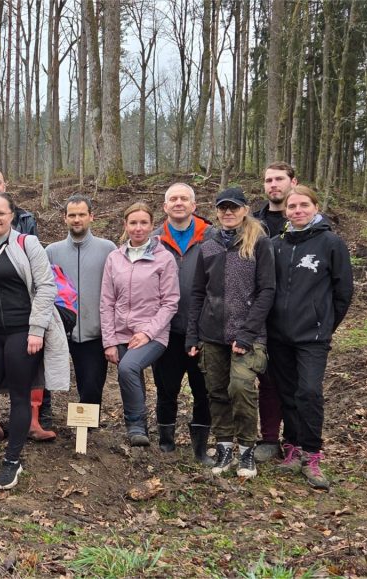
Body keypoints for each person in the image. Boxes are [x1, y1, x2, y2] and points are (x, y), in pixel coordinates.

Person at [0, 192, 69, 490]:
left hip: (23, 331)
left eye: (0, 213)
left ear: (12, 215)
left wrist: (36, 330)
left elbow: (46, 287)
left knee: (20, 395)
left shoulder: (26, 244)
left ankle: (12, 461)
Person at [267, 186, 353, 490]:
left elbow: (343, 292)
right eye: (292, 206)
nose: (297, 210)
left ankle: (312, 454)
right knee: (288, 393)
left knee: (309, 392)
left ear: (315, 208)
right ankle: (292, 447)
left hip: (312, 336)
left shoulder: (330, 243)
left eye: (304, 205)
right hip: (279, 335)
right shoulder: (278, 244)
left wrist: (325, 323)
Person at [187, 188, 276, 480]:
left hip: (247, 334)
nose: (228, 212)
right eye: (223, 208)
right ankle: (224, 444)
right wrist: (192, 335)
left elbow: (267, 291)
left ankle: (247, 448)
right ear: (216, 211)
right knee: (216, 390)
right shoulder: (208, 242)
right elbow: (198, 291)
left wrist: (248, 333)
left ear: (245, 209)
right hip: (211, 332)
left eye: (234, 208)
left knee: (241, 387)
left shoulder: (258, 242)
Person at [99, 202, 179, 446]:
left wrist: (147, 332)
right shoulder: (115, 258)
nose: (138, 228)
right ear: (125, 225)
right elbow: (107, 301)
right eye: (133, 222)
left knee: (127, 368)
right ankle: (140, 430)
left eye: (143, 222)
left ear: (151, 225)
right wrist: (109, 341)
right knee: (130, 375)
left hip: (154, 334)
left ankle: (134, 423)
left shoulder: (163, 258)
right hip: (121, 332)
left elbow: (171, 302)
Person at [152, 184, 216, 464]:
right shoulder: (153, 240)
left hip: (203, 329)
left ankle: (200, 445)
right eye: (173, 199)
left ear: (194, 205)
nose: (178, 203)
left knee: (204, 389)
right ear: (165, 207)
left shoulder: (213, 237)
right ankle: (165, 440)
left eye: (184, 198)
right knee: (166, 387)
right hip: (165, 330)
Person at [46, 195, 116, 413]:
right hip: (59, 331)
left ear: (91, 217)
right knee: (44, 378)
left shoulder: (108, 249)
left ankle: (87, 433)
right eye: (72, 215)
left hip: (93, 333)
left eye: (82, 215)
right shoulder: (51, 252)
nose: (77, 220)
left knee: (92, 386)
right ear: (64, 218)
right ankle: (43, 418)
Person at [251, 161, 298, 462]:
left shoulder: (304, 221)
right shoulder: (254, 222)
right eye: (268, 180)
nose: (273, 185)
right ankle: (269, 438)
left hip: (295, 316)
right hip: (259, 312)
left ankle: (294, 440)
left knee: (293, 382)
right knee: (266, 378)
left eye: (279, 179)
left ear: (293, 182)